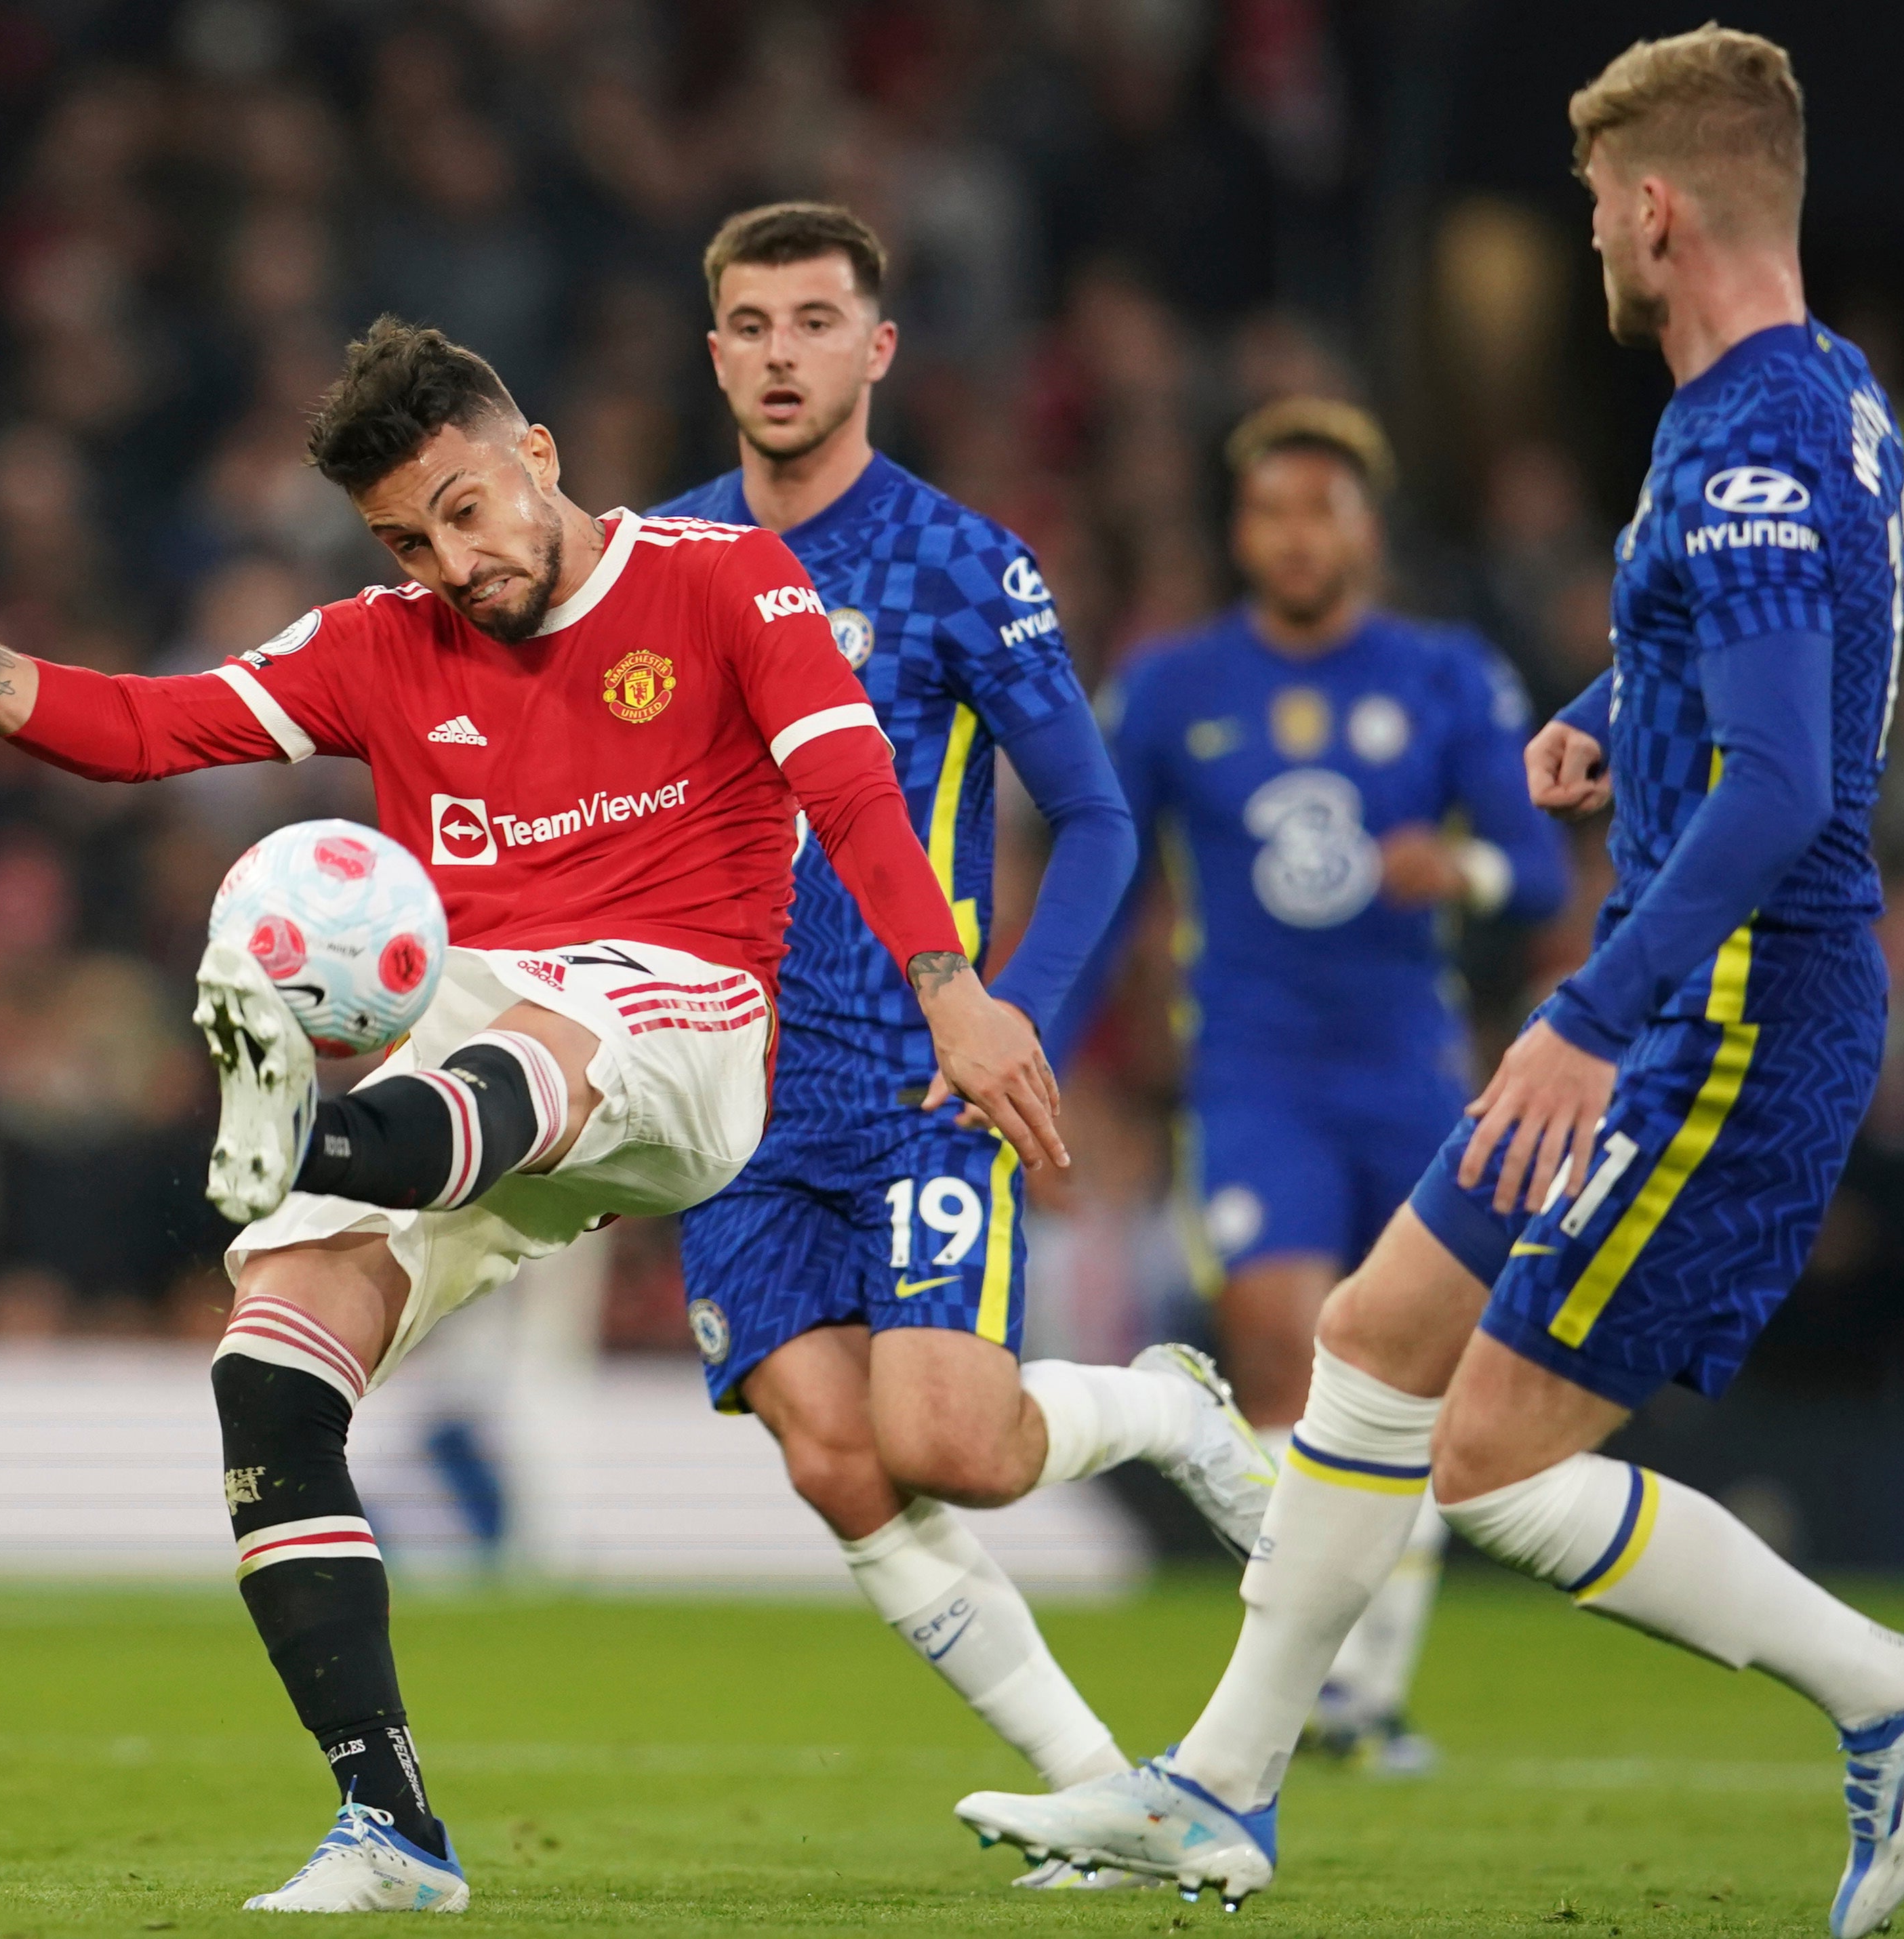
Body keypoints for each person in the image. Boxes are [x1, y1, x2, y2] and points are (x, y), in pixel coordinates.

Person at [0, 315, 1235, 1914]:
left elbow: (847, 785)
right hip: (479, 1038)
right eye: (405, 539)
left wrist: (949, 985)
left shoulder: (724, 579)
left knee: (542, 1054)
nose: (449, 563)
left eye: (466, 512)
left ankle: (303, 1136)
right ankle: (390, 1827)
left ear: (538, 455)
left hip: (685, 1016)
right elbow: (143, 730)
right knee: (272, 1373)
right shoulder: (380, 639)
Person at [951, 31, 1904, 1934]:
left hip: (1731, 1017)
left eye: (1599, 198)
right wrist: (1614, 714)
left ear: (1656, 206)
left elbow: (1782, 786)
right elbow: (1792, 665)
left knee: (1490, 1459)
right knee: (1366, 1331)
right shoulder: (1809, 395)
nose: (1588, 226)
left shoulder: (1750, 429)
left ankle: (1890, 1687)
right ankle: (1220, 1789)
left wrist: (1586, 1017)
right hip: (1688, 984)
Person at [652, 200, 1274, 1885]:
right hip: (726, 1099)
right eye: (752, 326)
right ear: (714, 351)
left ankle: (1165, 1412)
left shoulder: (957, 563)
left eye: (814, 322)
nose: (783, 355)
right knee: (833, 1457)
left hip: (910, 1076)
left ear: (878, 348)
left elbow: (1094, 818)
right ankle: (1106, 1795)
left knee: (945, 1443)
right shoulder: (655, 568)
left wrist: (1013, 1011)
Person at [1069, 396, 1569, 1770]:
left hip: (1411, 1071)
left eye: (1320, 509)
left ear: (1365, 527)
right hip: (1249, 1076)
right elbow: (1106, 890)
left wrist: (1456, 868)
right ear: (1242, 530)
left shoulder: (1445, 673)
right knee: (1287, 1346)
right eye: (1269, 510)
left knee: (1407, 1375)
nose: (1292, 535)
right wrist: (1044, 1052)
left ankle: (1365, 1688)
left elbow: (1531, 869)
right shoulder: (1172, 684)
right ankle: (1327, 1676)